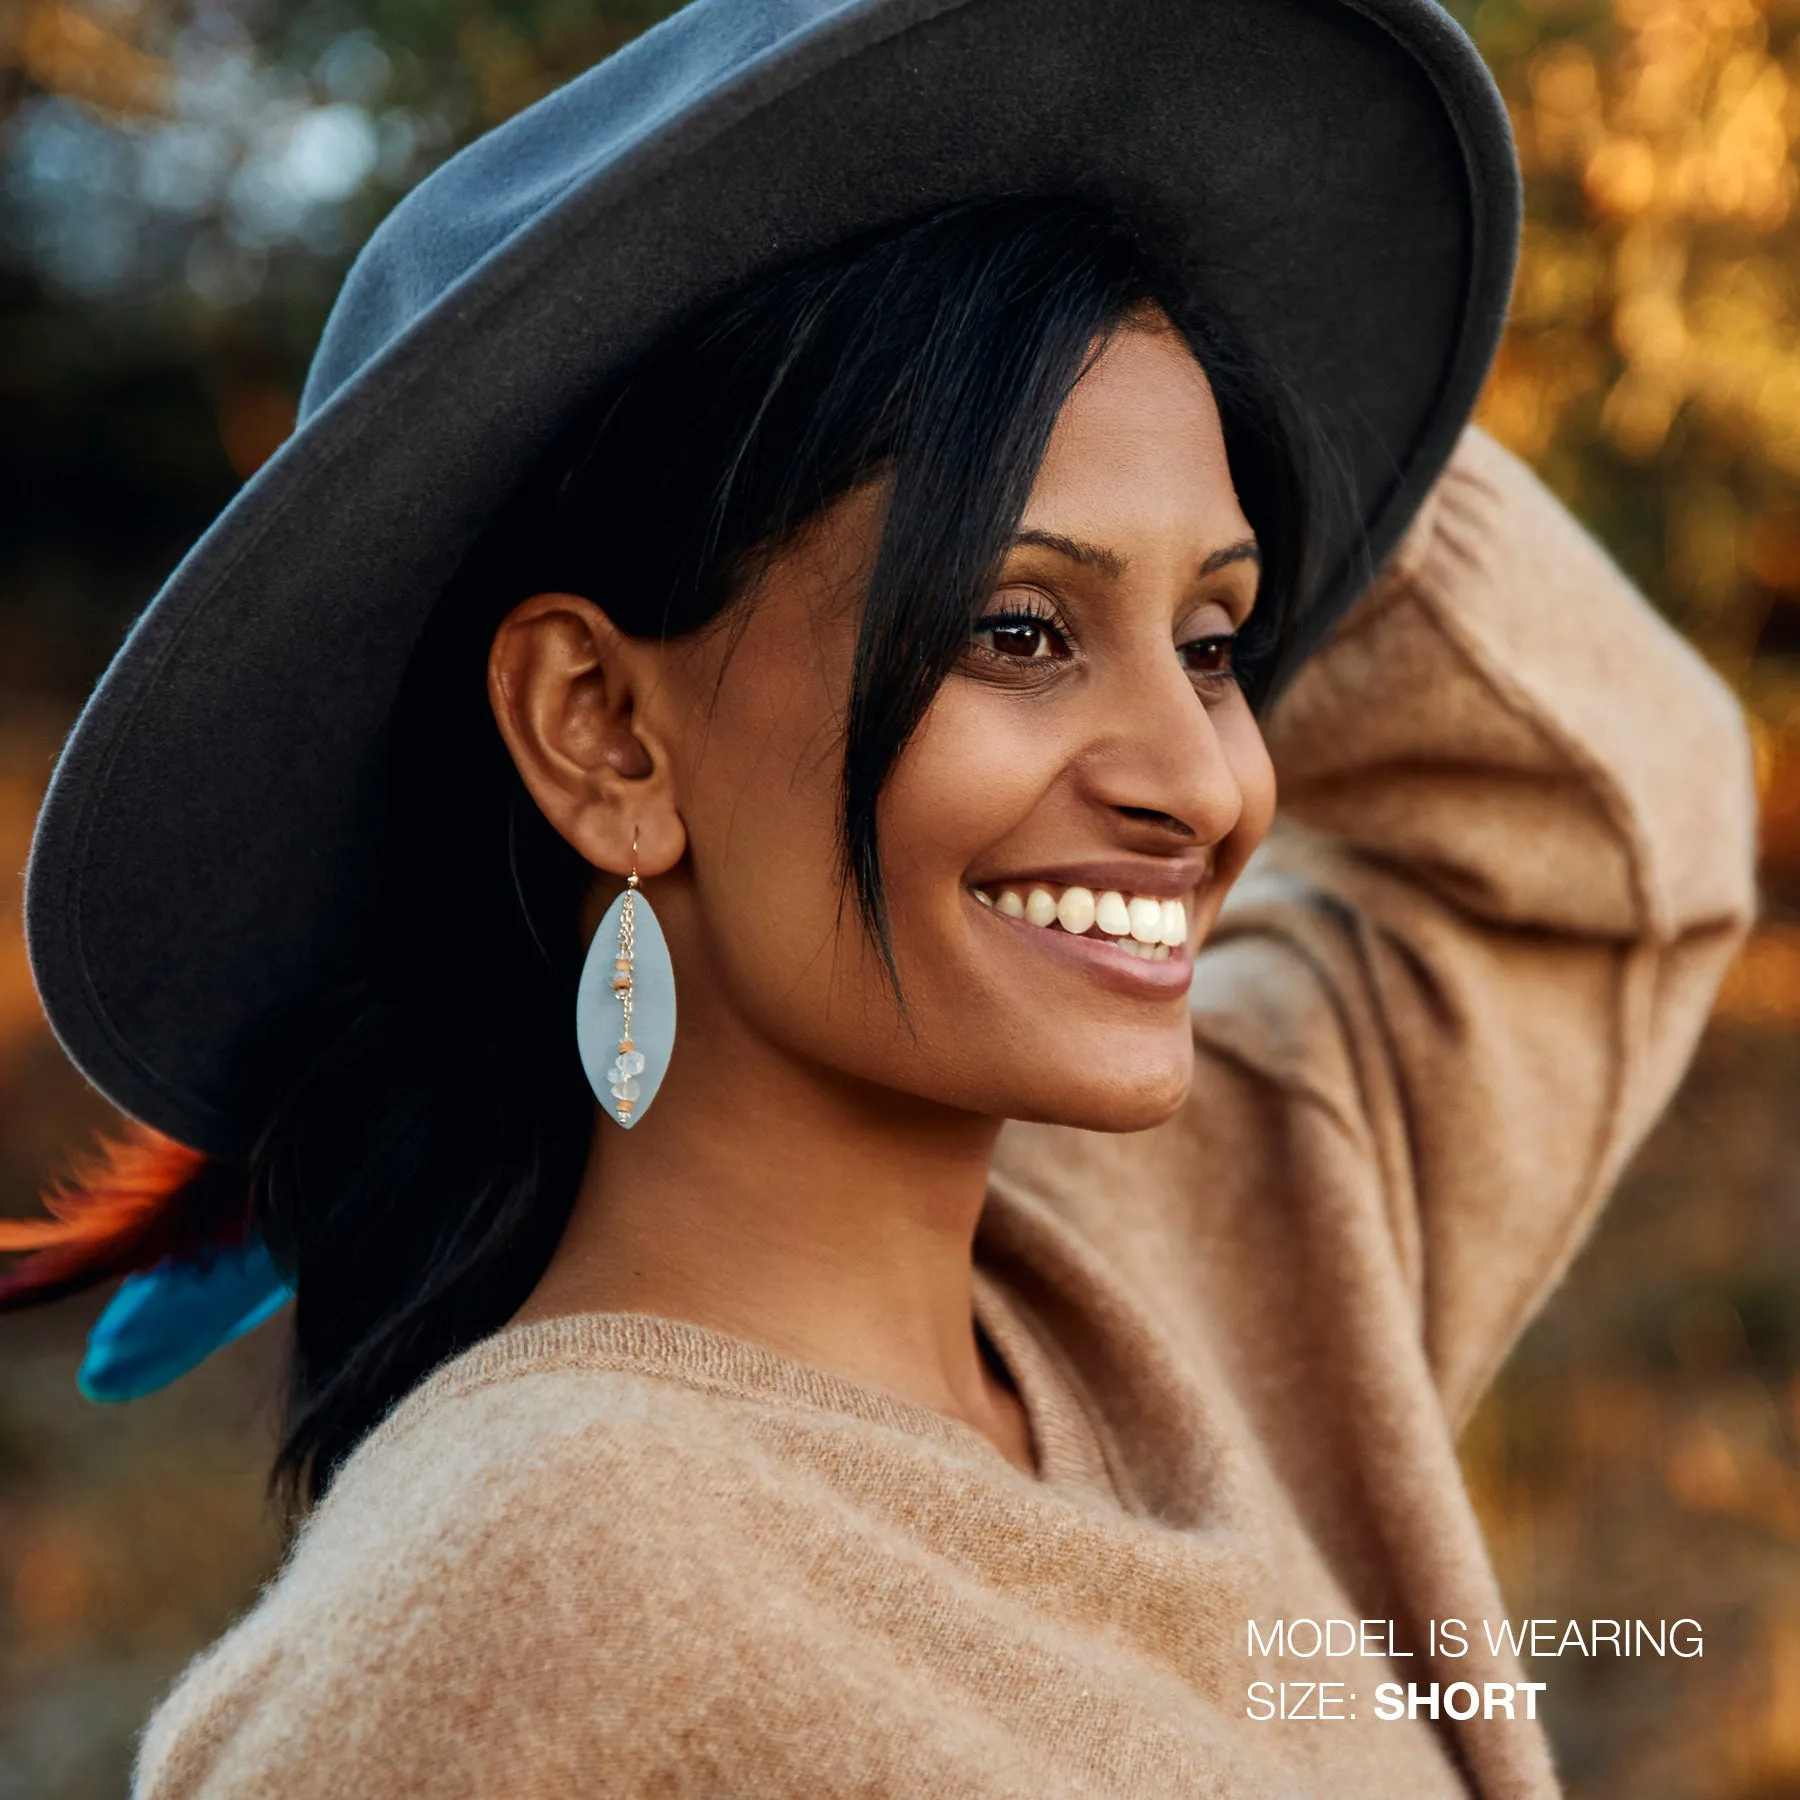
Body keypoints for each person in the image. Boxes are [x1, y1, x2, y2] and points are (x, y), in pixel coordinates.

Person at [0, 0, 1757, 1794]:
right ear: (602, 730)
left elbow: (1588, 829)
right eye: (1020, 629)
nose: (1202, 779)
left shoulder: (1174, 1266)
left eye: (1220, 639)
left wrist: (1162, 241)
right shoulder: (538, 1611)